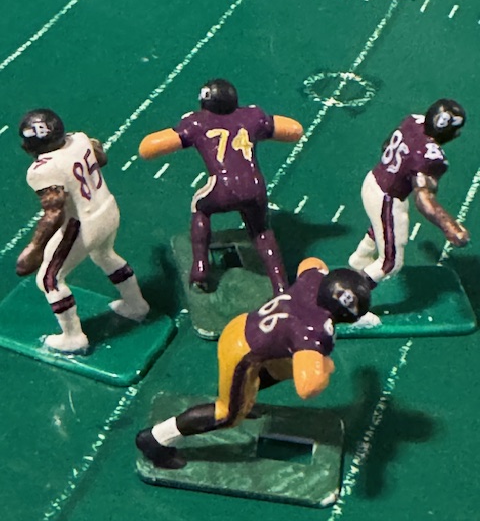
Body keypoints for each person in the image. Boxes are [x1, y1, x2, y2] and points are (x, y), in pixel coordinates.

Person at [135, 257, 372, 469]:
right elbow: (308, 387)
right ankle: (155, 439)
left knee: (283, 368)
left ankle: (242, 394)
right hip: (242, 353)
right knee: (228, 414)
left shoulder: (314, 280)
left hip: (244, 325)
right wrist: (323, 367)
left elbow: (311, 263)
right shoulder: (314, 330)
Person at [139, 79, 303, 294]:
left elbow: (148, 147)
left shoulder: (196, 122)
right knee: (262, 231)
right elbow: (294, 129)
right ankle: (281, 286)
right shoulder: (252, 116)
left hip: (222, 188)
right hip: (255, 186)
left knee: (200, 207)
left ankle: (200, 268)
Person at [16, 109, 149, 354]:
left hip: (82, 223)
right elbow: (101, 158)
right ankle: (136, 304)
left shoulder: (42, 169)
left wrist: (34, 248)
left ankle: (73, 337)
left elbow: (54, 212)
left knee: (49, 280)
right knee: (105, 255)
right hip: (107, 208)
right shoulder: (80, 138)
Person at [349, 98, 469, 286]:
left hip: (372, 179)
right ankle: (353, 291)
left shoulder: (412, 121)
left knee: (382, 229)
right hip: (387, 197)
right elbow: (423, 199)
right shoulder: (432, 157)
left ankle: (359, 259)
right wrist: (450, 226)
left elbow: (386, 145)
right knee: (391, 264)